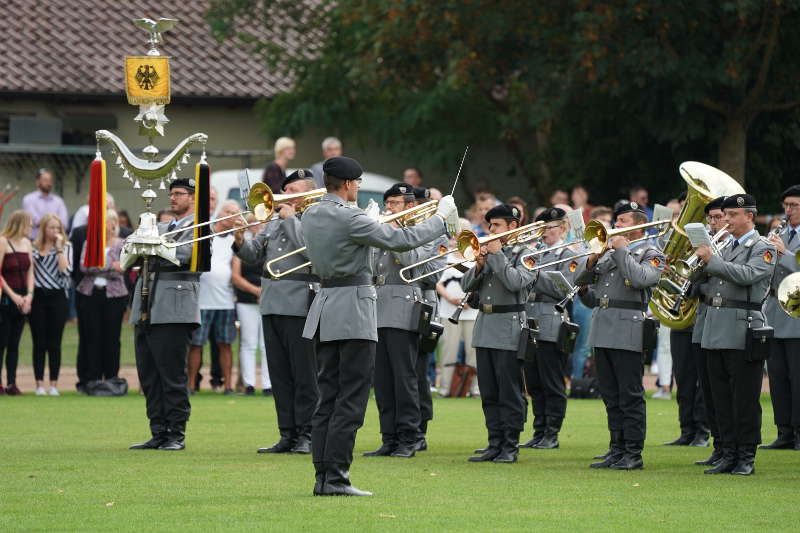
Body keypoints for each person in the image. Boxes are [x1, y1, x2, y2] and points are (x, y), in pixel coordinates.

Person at [301, 156, 455, 496]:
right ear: (348, 184)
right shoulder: (350, 216)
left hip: (325, 306)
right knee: (350, 400)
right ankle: (336, 477)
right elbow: (402, 240)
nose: (357, 187)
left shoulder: (310, 213)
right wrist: (442, 219)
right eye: (356, 183)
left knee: (327, 397)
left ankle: (323, 475)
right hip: (354, 308)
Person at [233, 169, 319, 454]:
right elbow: (254, 255)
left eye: (294, 190)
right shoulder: (273, 221)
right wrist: (239, 238)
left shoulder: (316, 218)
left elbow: (314, 254)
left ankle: (307, 433)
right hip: (271, 303)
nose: (287, 195)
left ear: (308, 193)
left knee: (304, 373)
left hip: (301, 303)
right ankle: (287, 433)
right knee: (279, 373)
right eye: (287, 189)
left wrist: (291, 220)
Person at [576, 201, 665, 470]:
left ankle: (633, 452)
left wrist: (622, 250)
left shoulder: (651, 252)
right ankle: (616, 448)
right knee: (610, 395)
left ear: (639, 225)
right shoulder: (607, 252)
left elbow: (640, 279)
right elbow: (581, 281)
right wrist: (591, 260)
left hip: (628, 327)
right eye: (618, 221)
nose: (617, 226)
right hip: (602, 326)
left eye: (624, 222)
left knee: (630, 394)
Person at [693, 193, 775, 475]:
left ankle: (746, 455)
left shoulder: (762, 247)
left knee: (744, 398)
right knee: (721, 397)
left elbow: (747, 275)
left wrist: (711, 261)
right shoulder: (724, 246)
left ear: (749, 216)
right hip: (715, 326)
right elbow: (708, 280)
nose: (725, 220)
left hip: (742, 326)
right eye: (724, 215)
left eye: (732, 216)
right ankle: (727, 452)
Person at [362, 183, 436, 459]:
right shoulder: (383, 232)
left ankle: (410, 436)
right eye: (388, 204)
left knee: (405, 377)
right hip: (377, 307)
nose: (389, 209)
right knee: (382, 379)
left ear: (410, 207)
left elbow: (410, 259)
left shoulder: (421, 233)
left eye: (395, 204)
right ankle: (389, 436)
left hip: (404, 308)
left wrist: (391, 231)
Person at [129, 178, 202, 451]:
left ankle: (176, 432)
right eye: (171, 193)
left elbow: (189, 253)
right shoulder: (161, 225)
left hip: (175, 307)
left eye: (180, 193)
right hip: (148, 304)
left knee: (172, 374)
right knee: (149, 373)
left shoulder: (198, 224)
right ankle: (158, 430)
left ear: (194, 198)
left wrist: (155, 244)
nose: (173, 198)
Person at [462, 204, 535, 464]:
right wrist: (480, 265)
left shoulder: (527, 252)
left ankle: (510, 444)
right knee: (489, 391)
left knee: (509, 390)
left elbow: (516, 282)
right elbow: (465, 285)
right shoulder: (490, 254)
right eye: (489, 226)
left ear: (512, 226)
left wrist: (497, 256)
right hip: (485, 325)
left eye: (496, 226)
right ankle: (494, 442)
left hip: (509, 326)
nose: (490, 230)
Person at [520, 207, 582, 450]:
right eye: (541, 229)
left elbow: (565, 289)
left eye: (549, 228)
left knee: (551, 380)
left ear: (563, 228)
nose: (544, 233)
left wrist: (534, 273)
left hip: (552, 319)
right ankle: (539, 430)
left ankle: (552, 432)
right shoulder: (534, 253)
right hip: (531, 318)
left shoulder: (569, 255)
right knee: (533, 381)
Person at [690, 196, 728, 465]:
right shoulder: (706, 246)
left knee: (726, 391)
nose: (713, 223)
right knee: (710, 391)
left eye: (718, 217)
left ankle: (731, 448)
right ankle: (719, 446)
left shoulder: (731, 246)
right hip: (704, 324)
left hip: (725, 324)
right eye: (710, 219)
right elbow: (692, 284)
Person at [761, 185, 800, 450]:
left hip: (796, 310)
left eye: (794, 205)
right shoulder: (781, 232)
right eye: (786, 205)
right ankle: (784, 430)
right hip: (775, 309)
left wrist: (783, 253)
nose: (788, 210)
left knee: (797, 377)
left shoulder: (786, 241)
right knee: (777, 376)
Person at [188, 200, 239, 394]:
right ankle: (191, 385)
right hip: (201, 301)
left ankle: (227, 386)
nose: (232, 215)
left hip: (225, 301)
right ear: (220, 213)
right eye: (229, 211)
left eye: (235, 213)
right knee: (196, 345)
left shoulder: (235, 239)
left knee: (225, 344)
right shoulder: (205, 233)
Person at [77, 210, 128, 383]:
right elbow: (85, 267)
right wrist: (110, 266)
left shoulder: (122, 243)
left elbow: (122, 268)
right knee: (92, 337)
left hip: (115, 296)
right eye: (107, 221)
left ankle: (112, 376)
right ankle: (93, 378)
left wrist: (98, 265)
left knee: (112, 337)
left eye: (113, 221)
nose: (111, 224)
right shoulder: (89, 243)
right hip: (91, 294)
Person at [436, 219, 479, 397]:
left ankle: (475, 389)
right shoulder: (445, 257)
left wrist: (472, 301)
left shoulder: (476, 257)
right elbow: (437, 282)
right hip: (449, 310)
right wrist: (450, 298)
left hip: (472, 311)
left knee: (474, 352)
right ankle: (446, 389)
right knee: (448, 350)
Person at [30, 214, 72, 396]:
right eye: (51, 228)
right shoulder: (33, 247)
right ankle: (39, 384)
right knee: (39, 342)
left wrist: (59, 249)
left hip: (58, 297)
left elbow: (66, 271)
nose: (55, 231)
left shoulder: (66, 246)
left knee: (55, 342)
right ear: (44, 229)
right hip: (38, 296)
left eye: (57, 228)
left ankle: (54, 384)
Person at [231, 218, 270, 396]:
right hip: (246, 300)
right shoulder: (242, 248)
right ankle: (249, 384)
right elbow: (236, 277)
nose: (257, 227)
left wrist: (265, 292)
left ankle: (268, 384)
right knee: (248, 343)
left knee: (266, 344)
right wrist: (256, 291)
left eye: (260, 224)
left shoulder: (270, 246)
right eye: (254, 224)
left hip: (268, 299)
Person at [0, 211, 34, 395]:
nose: (31, 228)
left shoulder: (27, 244)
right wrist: (13, 296)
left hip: (23, 298)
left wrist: (29, 295)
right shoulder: (3, 242)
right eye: (29, 224)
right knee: (2, 342)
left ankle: (12, 382)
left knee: (14, 343)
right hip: (7, 297)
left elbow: (30, 272)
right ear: (20, 224)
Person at [21, 168, 68, 238]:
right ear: (37, 182)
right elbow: (35, 221)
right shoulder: (29, 199)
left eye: (50, 180)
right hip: (34, 241)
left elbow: (64, 223)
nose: (48, 183)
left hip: (54, 241)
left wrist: (50, 225)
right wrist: (55, 224)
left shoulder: (58, 201)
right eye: (45, 180)